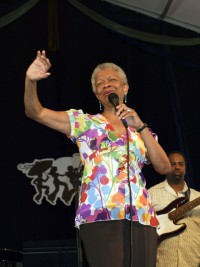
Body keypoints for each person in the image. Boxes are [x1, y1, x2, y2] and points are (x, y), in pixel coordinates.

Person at [24, 50, 171, 267]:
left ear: (125, 88)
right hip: (99, 214)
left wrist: (140, 126)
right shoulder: (85, 122)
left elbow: (164, 167)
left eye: (112, 80)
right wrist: (30, 81)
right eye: (100, 83)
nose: (106, 85)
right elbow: (35, 112)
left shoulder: (140, 130)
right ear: (96, 94)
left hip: (141, 215)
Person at [148, 151, 200, 267]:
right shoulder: (151, 193)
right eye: (172, 164)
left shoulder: (196, 196)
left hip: (192, 261)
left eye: (181, 164)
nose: (177, 167)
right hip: (162, 262)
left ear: (185, 168)